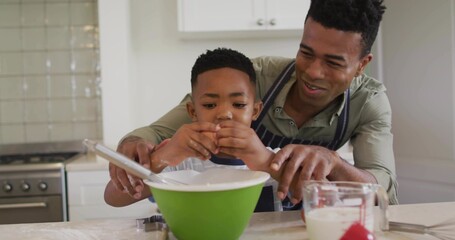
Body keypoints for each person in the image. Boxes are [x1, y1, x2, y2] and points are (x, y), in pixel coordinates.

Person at [109, 0, 398, 207]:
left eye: (333, 62)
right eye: (306, 53)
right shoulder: (252, 77)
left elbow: (380, 190)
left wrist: (332, 161)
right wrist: (138, 147)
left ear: (362, 65)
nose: (312, 72)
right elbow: (155, 133)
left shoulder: (369, 102)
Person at [105, 48, 286, 208]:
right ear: (192, 111)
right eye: (209, 105)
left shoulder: (274, 159)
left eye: (238, 104)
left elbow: (310, 188)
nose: (225, 114)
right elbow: (112, 197)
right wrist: (161, 158)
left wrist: (266, 162)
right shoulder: (182, 163)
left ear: (255, 111)